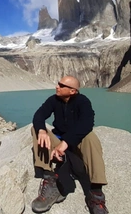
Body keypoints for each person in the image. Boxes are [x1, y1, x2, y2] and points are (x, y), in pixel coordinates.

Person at [31, 75, 108, 214]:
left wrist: (65, 143)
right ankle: (49, 179)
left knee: (91, 137)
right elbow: (39, 115)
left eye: (61, 85)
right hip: (59, 139)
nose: (57, 87)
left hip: (76, 143)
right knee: (36, 129)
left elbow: (87, 123)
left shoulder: (83, 102)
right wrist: (42, 130)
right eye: (58, 84)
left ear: (73, 91)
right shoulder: (53, 100)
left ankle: (96, 195)